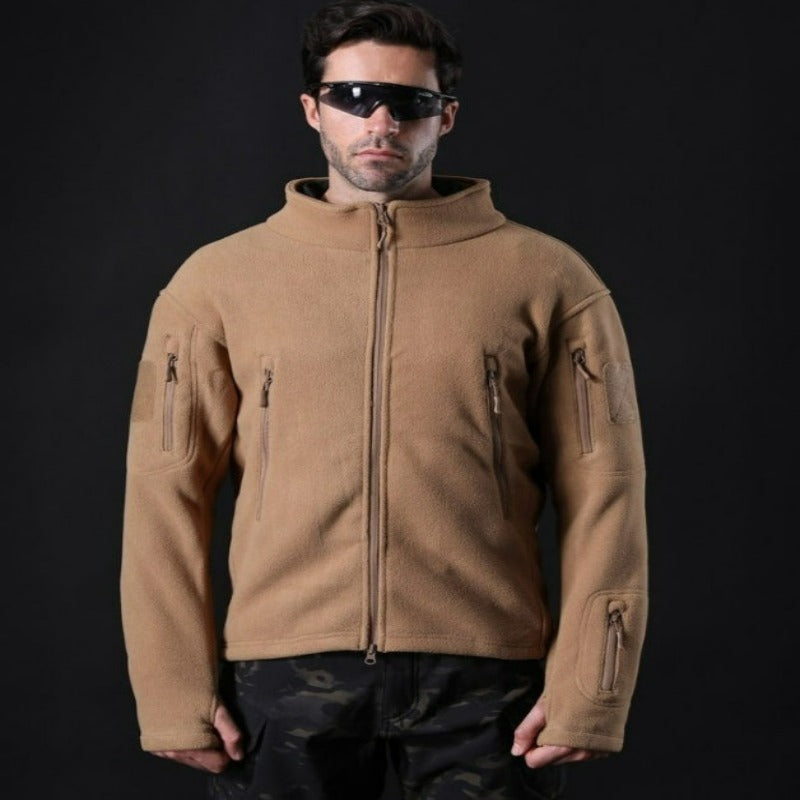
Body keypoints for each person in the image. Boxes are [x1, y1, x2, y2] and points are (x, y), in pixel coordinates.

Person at [120, 1, 648, 797]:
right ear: (313, 109)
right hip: (283, 679)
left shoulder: (548, 279)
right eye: (355, 97)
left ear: (447, 116)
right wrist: (171, 691)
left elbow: (607, 490)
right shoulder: (217, 283)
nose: (381, 121)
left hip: (486, 684)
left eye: (410, 102)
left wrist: (592, 689)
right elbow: (164, 494)